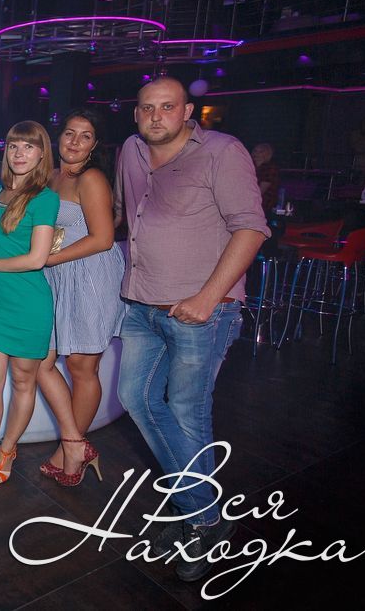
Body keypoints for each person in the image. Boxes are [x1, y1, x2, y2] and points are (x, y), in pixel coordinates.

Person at [115, 76, 268, 583]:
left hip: (203, 311)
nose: (155, 116)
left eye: (167, 107)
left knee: (186, 413)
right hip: (142, 305)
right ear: (136, 113)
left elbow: (251, 228)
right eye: (147, 108)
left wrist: (207, 298)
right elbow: (127, 217)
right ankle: (201, 514)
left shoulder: (223, 152)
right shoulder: (131, 151)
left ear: (188, 112)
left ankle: (200, 521)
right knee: (136, 399)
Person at [0, 121, 93, 495]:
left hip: (29, 304)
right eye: (13, 146)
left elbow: (37, 258)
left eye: (28, 146)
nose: (19, 153)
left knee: (24, 382)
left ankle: (8, 449)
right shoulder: (0, 191)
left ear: (41, 154)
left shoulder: (44, 199)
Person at [33, 109, 126, 481]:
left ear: (95, 144)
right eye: (70, 133)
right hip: (57, 275)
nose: (74, 141)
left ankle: (67, 453)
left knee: (81, 367)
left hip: (90, 274)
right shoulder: (51, 176)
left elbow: (103, 239)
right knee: (40, 361)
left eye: (85, 136)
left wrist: (48, 258)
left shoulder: (91, 178)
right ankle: (76, 443)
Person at [251, 143, 280, 214]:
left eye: (260, 151)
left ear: (267, 154)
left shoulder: (270, 168)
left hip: (265, 204)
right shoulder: (250, 166)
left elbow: (260, 191)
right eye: (255, 151)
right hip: (251, 201)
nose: (256, 153)